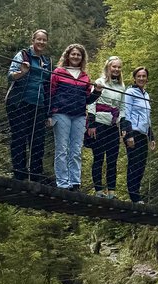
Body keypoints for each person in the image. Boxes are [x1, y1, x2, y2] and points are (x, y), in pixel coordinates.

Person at [6, 28, 52, 180]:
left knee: (38, 140)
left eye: (44, 40)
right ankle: (19, 173)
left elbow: (48, 86)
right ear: (33, 40)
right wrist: (22, 72)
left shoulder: (47, 61)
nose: (41, 42)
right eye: (39, 39)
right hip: (20, 102)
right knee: (19, 137)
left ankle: (36, 174)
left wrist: (49, 112)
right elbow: (10, 75)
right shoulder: (23, 55)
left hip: (39, 105)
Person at [49, 44, 95, 190]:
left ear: (82, 58)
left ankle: (75, 182)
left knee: (76, 150)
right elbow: (50, 92)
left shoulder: (85, 76)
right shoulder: (58, 72)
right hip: (61, 113)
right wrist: (48, 114)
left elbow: (88, 99)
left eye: (78, 55)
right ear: (68, 56)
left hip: (79, 115)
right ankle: (63, 182)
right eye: (73, 54)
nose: (75, 57)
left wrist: (98, 92)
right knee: (62, 149)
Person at [87, 56, 126, 198]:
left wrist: (121, 124)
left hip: (113, 126)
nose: (116, 69)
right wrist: (91, 124)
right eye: (114, 66)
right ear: (108, 67)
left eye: (119, 67)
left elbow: (122, 107)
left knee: (112, 160)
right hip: (99, 123)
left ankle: (111, 192)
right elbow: (92, 102)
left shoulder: (122, 87)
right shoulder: (100, 82)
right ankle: (98, 190)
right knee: (98, 158)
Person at [120, 66, 155, 203]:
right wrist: (128, 134)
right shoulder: (130, 92)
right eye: (139, 76)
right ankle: (134, 196)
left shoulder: (146, 95)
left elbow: (147, 117)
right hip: (132, 132)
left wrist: (151, 136)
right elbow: (126, 112)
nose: (141, 78)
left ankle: (136, 193)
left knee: (141, 165)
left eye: (144, 76)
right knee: (134, 164)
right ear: (134, 78)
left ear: (147, 79)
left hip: (143, 134)